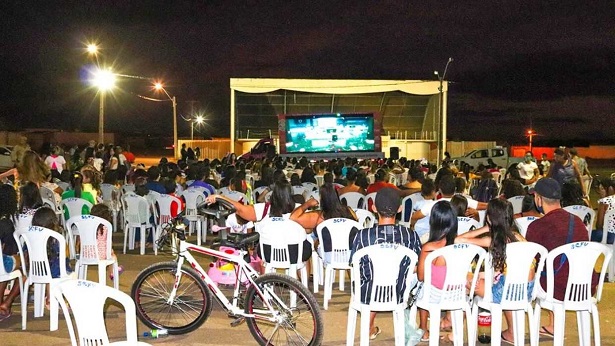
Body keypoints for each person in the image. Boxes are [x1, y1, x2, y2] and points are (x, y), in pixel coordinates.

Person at [455, 198, 533, 343]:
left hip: (506, 291)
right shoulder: (519, 237)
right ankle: (512, 331)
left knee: (465, 278)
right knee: (488, 277)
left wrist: (485, 228)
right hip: (527, 290)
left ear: (490, 218)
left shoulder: (493, 240)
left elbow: (458, 240)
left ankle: (455, 328)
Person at [525, 177, 595, 337]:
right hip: (584, 288)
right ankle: (553, 325)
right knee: (557, 268)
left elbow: (532, 262)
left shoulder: (537, 226)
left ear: (538, 199)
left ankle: (513, 330)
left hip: (557, 289)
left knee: (538, 273)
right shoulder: (578, 222)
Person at [349, 187, 422, 340]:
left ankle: (368, 327)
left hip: (368, 293)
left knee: (368, 276)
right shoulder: (411, 235)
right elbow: (417, 267)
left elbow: (355, 266)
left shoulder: (362, 236)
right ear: (400, 209)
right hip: (400, 292)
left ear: (374, 208)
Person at [416, 201, 458, 341]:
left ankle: (423, 329)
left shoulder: (428, 248)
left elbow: (421, 277)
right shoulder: (459, 245)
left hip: (434, 296)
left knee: (422, 287)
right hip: (456, 294)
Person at [0, 184, 22, 320]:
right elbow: (9, 251)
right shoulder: (7, 223)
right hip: (2, 262)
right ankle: (6, 303)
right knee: (27, 266)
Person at [89, 204, 123, 279]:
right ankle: (112, 272)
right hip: (101, 255)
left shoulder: (88, 226)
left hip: (87, 253)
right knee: (112, 255)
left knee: (109, 252)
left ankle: (111, 271)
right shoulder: (106, 227)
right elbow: (108, 242)